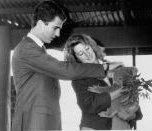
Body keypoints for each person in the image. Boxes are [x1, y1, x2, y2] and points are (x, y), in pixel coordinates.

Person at [11, 1, 111, 131]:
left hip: (44, 121)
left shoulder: (37, 49)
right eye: (55, 27)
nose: (58, 34)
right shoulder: (27, 49)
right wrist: (101, 68)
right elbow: (63, 70)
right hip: (34, 122)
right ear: (41, 24)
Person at [64, 33, 142, 130]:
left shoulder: (119, 68)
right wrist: (120, 91)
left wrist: (129, 115)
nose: (87, 54)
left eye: (87, 49)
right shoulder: (79, 79)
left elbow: (136, 107)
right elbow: (90, 105)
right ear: (77, 59)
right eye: (81, 54)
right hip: (95, 127)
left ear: (92, 47)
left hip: (121, 126)